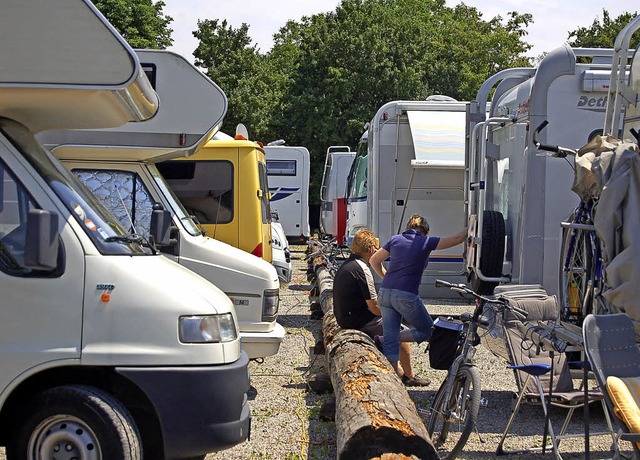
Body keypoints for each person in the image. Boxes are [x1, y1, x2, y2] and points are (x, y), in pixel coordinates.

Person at [369, 214, 467, 373]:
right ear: (425, 230)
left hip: (385, 293)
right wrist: (473, 224)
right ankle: (386, 340)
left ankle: (392, 374)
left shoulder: (395, 239)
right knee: (427, 330)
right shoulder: (426, 241)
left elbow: (374, 260)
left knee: (391, 339)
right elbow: (456, 239)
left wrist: (386, 277)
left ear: (408, 227)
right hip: (406, 294)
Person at [332, 229, 431, 386]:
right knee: (400, 331)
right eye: (377, 248)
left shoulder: (348, 265)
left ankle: (398, 371)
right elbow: (373, 306)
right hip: (359, 321)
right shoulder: (362, 269)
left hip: (345, 318)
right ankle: (409, 376)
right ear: (371, 249)